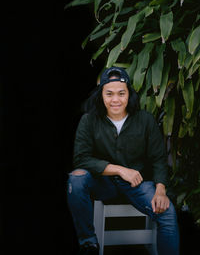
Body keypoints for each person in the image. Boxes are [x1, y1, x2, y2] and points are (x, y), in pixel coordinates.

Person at [67, 67, 179, 255]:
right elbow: (81, 159)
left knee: (167, 212)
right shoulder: (89, 120)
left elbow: (159, 158)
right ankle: (88, 244)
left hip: (137, 184)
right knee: (76, 179)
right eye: (109, 94)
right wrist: (119, 169)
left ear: (129, 94)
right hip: (103, 183)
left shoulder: (145, 120)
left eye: (121, 93)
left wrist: (161, 190)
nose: (115, 100)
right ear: (101, 95)